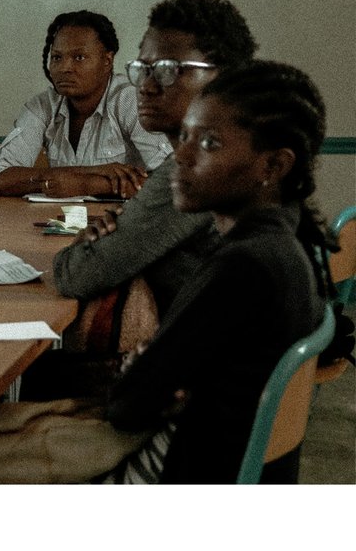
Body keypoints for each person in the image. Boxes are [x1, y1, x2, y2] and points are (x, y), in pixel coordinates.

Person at [104, 61, 329, 483]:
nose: (181, 156)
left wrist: (143, 372)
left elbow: (125, 408)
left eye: (209, 142)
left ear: (273, 166)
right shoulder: (283, 245)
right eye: (184, 137)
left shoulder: (242, 267)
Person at [50, 0, 258, 318]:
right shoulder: (242, 150)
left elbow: (76, 276)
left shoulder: (199, 171)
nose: (146, 86)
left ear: (223, 77)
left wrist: (78, 249)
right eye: (142, 69)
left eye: (167, 70)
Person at [0, 10, 170, 198]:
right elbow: (0, 180)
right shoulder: (43, 106)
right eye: (57, 57)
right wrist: (89, 172)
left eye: (79, 57)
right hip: (58, 216)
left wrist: (86, 185)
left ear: (107, 61)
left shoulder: (131, 100)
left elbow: (171, 181)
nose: (65, 68)